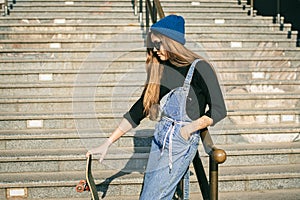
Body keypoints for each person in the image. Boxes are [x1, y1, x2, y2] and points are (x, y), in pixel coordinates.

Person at [86, 14, 227, 199]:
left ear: (172, 42)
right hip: (159, 138)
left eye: (158, 43)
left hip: (179, 142)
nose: (155, 49)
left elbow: (219, 110)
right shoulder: (162, 69)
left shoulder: (200, 68)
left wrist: (188, 130)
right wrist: (107, 143)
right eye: (153, 45)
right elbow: (139, 109)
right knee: (149, 195)